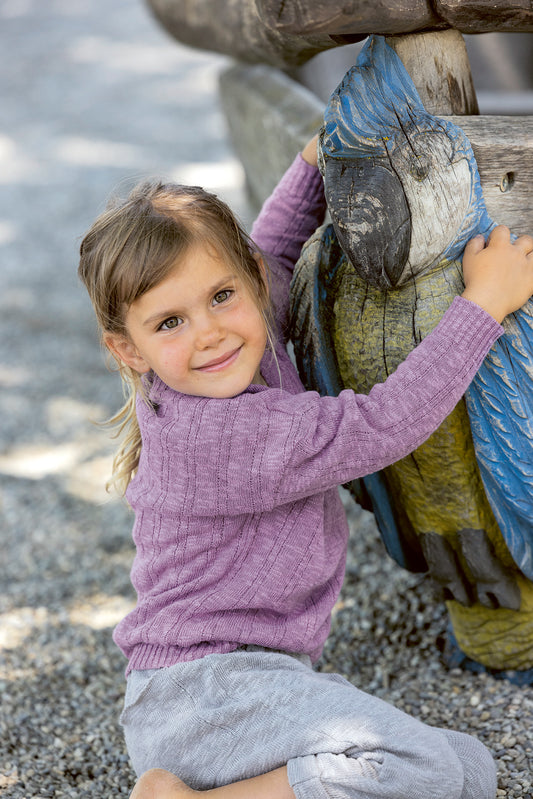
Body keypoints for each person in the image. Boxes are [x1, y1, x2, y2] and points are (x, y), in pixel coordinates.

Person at [78, 133, 533, 799]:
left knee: (469, 767)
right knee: (426, 769)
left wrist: (309, 165)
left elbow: (272, 252)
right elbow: (383, 423)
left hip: (250, 684)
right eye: (169, 322)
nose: (207, 331)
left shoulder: (225, 355)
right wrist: (482, 307)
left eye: (220, 297)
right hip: (203, 696)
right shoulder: (227, 432)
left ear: (250, 284)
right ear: (130, 350)